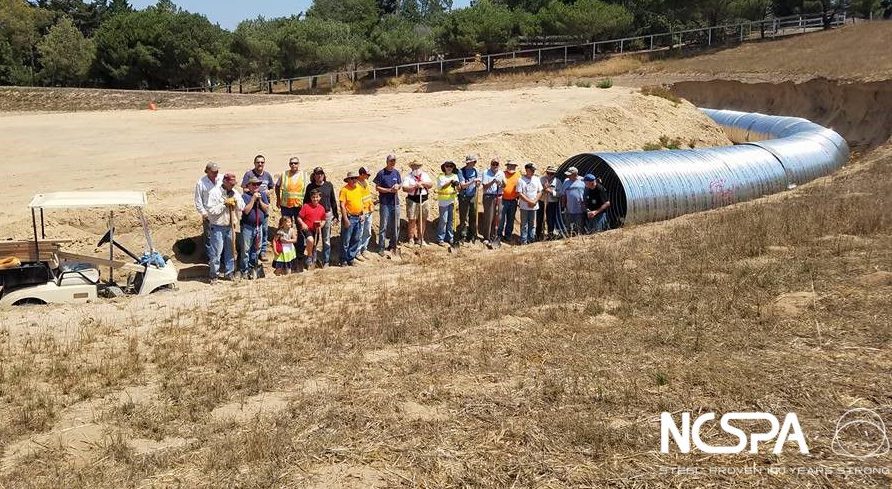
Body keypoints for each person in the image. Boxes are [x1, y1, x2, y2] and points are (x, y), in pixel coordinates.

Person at [204, 172, 245, 283]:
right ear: (225, 181)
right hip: (217, 226)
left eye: (233, 183)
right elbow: (211, 210)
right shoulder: (214, 193)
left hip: (231, 226)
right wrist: (224, 205)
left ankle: (229, 272)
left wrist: (235, 202)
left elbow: (242, 206)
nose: (233, 186)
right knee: (216, 252)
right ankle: (214, 275)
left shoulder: (235, 192)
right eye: (231, 183)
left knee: (230, 251)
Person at [242, 154, 275, 261]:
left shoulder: (267, 175)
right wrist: (255, 192)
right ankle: (248, 260)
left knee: (264, 230)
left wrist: (266, 193)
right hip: (252, 205)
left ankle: (263, 252)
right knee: (251, 236)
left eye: (262, 162)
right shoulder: (249, 174)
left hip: (262, 205)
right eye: (258, 162)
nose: (260, 164)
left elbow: (272, 188)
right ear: (254, 163)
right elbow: (244, 188)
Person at [304, 167, 339, 267]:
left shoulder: (329, 185)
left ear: (323, 175)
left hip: (327, 215)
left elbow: (333, 200)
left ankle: (326, 260)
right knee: (314, 239)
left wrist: (336, 215)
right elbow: (306, 202)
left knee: (326, 238)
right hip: (314, 216)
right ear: (314, 175)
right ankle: (313, 259)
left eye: (321, 173)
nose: (319, 175)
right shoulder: (310, 187)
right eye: (317, 174)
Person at [240, 176, 270, 279]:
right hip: (248, 227)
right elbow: (246, 210)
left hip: (259, 226)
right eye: (254, 184)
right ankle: (244, 270)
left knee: (256, 249)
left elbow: (266, 209)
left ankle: (252, 268)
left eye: (258, 184)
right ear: (249, 186)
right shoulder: (245, 196)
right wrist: (253, 199)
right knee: (246, 250)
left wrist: (260, 201)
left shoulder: (262, 195)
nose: (256, 186)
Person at [373, 154, 402, 254]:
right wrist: (389, 190)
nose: (393, 162)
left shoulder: (396, 173)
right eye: (391, 161)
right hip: (385, 203)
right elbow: (377, 187)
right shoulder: (381, 173)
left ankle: (393, 245)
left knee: (396, 225)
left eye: (394, 161)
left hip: (395, 203)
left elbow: (400, 184)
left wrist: (398, 187)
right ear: (387, 161)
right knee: (383, 226)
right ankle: (381, 247)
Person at [194, 161, 222, 260]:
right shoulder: (201, 183)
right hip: (209, 214)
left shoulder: (221, 179)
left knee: (221, 236)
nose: (216, 173)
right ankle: (211, 259)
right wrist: (203, 213)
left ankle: (221, 258)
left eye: (217, 171)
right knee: (210, 237)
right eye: (213, 171)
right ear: (207, 171)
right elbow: (198, 200)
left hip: (221, 213)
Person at [402, 161, 433, 246]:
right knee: (412, 220)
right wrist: (415, 186)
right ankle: (411, 239)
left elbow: (430, 185)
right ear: (411, 167)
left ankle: (421, 238)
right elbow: (404, 188)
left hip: (424, 200)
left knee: (422, 220)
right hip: (412, 200)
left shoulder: (425, 175)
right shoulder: (408, 177)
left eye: (418, 166)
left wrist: (423, 183)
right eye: (414, 166)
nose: (416, 168)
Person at [339, 171, 366, 266]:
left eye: (355, 178)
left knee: (356, 239)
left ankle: (351, 258)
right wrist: (345, 219)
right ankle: (343, 260)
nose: (354, 180)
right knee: (346, 240)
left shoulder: (359, 188)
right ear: (348, 180)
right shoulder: (344, 190)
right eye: (352, 178)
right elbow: (342, 205)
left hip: (358, 217)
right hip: (349, 218)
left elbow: (362, 201)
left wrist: (362, 213)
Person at [298, 189, 327, 269]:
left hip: (316, 230)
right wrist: (303, 224)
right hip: (307, 229)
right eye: (313, 197)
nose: (315, 199)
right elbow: (299, 218)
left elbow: (324, 219)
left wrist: (321, 225)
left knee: (314, 246)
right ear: (311, 198)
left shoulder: (322, 208)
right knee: (310, 240)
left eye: (317, 197)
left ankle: (313, 261)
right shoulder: (306, 206)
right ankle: (309, 257)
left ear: (320, 198)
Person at [275, 156, 307, 227]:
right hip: (286, 205)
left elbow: (308, 189)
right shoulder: (284, 174)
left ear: (298, 164)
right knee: (286, 225)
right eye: (291, 163)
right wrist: (278, 199)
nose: (293, 165)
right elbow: (277, 186)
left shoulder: (304, 175)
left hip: (299, 205)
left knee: (300, 226)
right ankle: (286, 238)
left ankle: (299, 238)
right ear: (289, 164)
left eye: (295, 163)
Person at [517, 163, 543, 245]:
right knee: (524, 224)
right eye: (532, 170)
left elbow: (540, 191)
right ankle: (524, 241)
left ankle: (531, 240)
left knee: (532, 223)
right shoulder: (521, 180)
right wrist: (530, 201)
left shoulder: (536, 179)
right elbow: (520, 193)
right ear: (527, 170)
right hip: (524, 206)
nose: (533, 172)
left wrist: (535, 201)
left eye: (533, 170)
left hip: (534, 206)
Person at [457, 154, 481, 243]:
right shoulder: (461, 171)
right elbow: (463, 185)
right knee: (463, 217)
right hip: (464, 197)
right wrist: (472, 181)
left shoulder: (477, 171)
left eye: (473, 162)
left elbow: (479, 184)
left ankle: (472, 234)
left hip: (473, 196)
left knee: (473, 215)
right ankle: (463, 235)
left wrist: (478, 184)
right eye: (470, 162)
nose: (472, 164)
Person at [480, 157, 505, 246]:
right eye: (493, 164)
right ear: (490, 164)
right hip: (489, 196)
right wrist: (493, 181)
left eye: (496, 164)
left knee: (498, 217)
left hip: (499, 196)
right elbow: (485, 186)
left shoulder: (501, 173)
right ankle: (486, 237)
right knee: (489, 217)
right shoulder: (485, 172)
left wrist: (500, 183)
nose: (495, 165)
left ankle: (495, 236)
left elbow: (504, 185)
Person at [435, 160, 460, 246]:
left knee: (451, 221)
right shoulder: (441, 176)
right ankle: (440, 238)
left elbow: (458, 187)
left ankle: (450, 238)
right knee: (443, 220)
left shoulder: (455, 176)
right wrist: (450, 182)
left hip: (452, 201)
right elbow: (442, 187)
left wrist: (457, 185)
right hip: (443, 202)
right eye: (447, 166)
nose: (449, 168)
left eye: (451, 166)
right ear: (444, 167)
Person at [498, 161, 521, 243]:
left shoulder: (518, 175)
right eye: (510, 165)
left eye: (513, 166)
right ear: (507, 166)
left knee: (510, 219)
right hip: (502, 200)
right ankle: (499, 235)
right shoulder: (502, 174)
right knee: (501, 219)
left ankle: (508, 236)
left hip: (513, 200)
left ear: (515, 166)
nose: (511, 167)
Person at [560, 166, 586, 236]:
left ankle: (579, 238)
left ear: (575, 174)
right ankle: (570, 239)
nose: (567, 176)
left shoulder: (583, 180)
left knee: (580, 226)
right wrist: (563, 207)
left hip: (580, 209)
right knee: (569, 227)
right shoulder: (566, 181)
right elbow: (563, 195)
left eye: (569, 174)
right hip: (569, 209)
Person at [537, 166, 561, 240]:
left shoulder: (558, 182)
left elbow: (560, 194)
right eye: (548, 173)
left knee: (550, 220)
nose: (549, 175)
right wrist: (544, 189)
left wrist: (550, 191)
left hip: (552, 203)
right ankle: (538, 235)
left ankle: (550, 236)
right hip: (542, 202)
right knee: (539, 219)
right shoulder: (541, 179)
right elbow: (537, 191)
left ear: (555, 174)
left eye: (552, 173)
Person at [356, 167, 375, 260]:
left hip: (369, 210)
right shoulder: (356, 185)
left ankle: (364, 249)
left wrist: (371, 204)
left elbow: (368, 196)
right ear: (361, 174)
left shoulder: (366, 182)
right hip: (362, 212)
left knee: (367, 231)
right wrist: (361, 211)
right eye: (367, 174)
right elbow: (358, 199)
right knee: (360, 232)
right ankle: (358, 251)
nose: (368, 176)